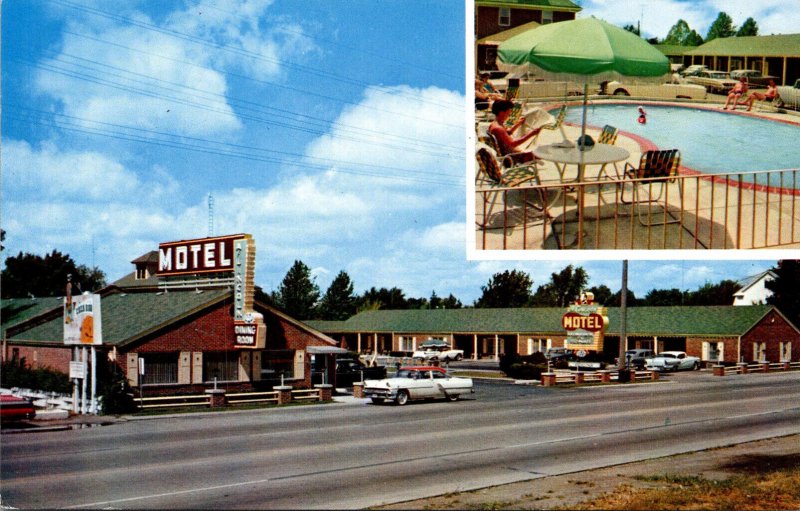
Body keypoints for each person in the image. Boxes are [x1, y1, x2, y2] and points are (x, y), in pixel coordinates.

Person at [488, 99, 542, 164]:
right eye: (508, 113)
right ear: (502, 112)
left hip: (507, 153)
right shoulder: (498, 128)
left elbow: (507, 133)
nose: (509, 115)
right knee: (538, 153)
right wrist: (532, 134)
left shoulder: (494, 124)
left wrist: (517, 124)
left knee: (535, 151)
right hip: (510, 158)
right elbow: (513, 143)